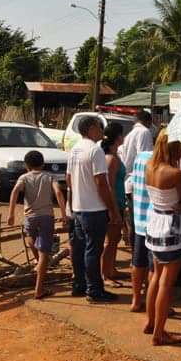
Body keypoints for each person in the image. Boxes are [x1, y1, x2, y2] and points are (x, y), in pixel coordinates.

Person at [66, 116, 122, 302]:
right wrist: (111, 209)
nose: (101, 132)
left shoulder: (74, 149)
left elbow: (68, 179)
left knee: (81, 248)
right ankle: (94, 289)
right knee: (93, 250)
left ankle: (79, 284)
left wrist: (78, 195)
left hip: (79, 207)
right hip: (94, 208)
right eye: (99, 128)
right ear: (90, 129)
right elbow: (101, 183)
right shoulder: (95, 150)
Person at [145, 131, 181, 346]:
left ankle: (151, 322)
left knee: (155, 276)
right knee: (166, 282)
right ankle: (159, 333)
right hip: (171, 226)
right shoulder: (174, 173)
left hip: (155, 223)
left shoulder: (149, 167)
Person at [7, 150, 67, 299]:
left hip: (30, 217)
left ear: (27, 165)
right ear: (42, 164)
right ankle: (39, 288)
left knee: (31, 241)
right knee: (44, 255)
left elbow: (15, 191)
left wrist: (11, 213)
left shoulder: (24, 178)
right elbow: (59, 192)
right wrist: (64, 213)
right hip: (47, 217)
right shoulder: (49, 177)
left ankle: (38, 263)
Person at [122, 110, 155, 245]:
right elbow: (145, 159)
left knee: (134, 221)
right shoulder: (144, 133)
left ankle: (135, 254)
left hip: (130, 182)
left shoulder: (130, 134)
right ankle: (138, 255)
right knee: (141, 222)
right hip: (139, 183)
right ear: (148, 122)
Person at [129, 148, 154, 317]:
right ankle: (155, 306)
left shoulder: (140, 158)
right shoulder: (157, 162)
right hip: (155, 221)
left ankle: (136, 299)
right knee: (155, 268)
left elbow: (131, 187)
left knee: (138, 262)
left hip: (139, 217)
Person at [101, 122, 126, 287]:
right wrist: (114, 211)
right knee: (110, 241)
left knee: (116, 238)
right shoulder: (111, 159)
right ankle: (106, 274)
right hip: (114, 204)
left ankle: (111, 268)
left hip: (118, 202)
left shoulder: (114, 156)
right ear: (117, 138)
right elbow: (108, 186)